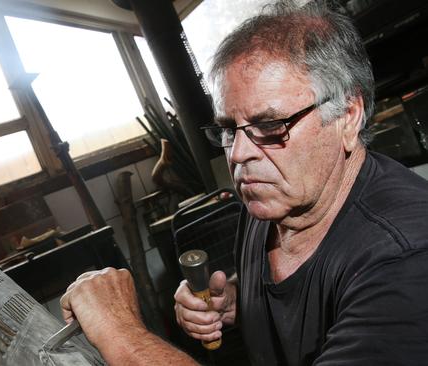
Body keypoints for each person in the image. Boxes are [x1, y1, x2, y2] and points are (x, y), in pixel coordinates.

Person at [60, 1, 428, 365]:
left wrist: (123, 337)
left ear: (348, 117)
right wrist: (236, 301)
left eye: (269, 125)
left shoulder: (407, 258)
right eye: (227, 129)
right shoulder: (273, 200)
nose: (237, 154)